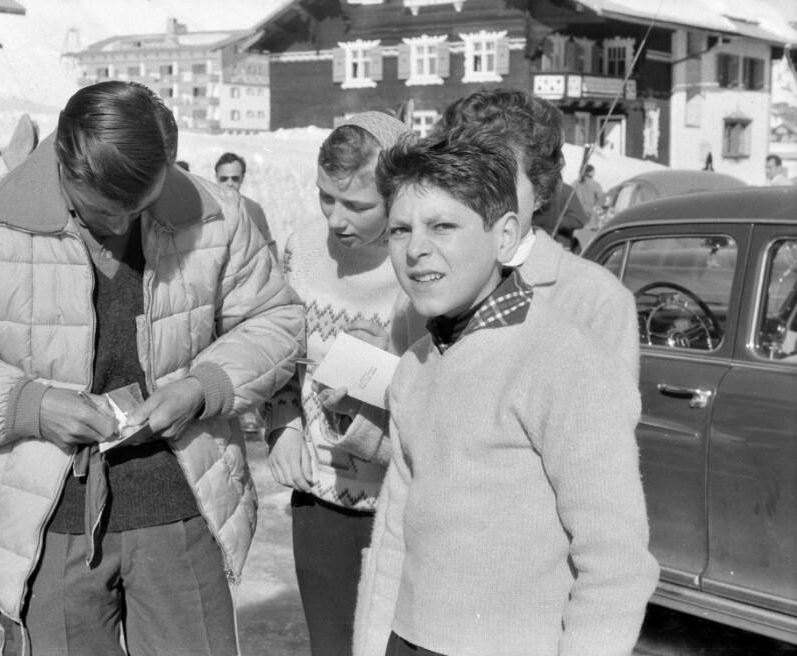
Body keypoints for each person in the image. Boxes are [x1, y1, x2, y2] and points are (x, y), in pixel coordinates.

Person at [0, 81, 304, 655]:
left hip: (182, 511)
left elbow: (275, 320)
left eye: (139, 209)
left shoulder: (216, 215)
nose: (121, 227)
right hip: (42, 531)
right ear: (63, 167)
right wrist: (29, 406)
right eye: (101, 210)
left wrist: (204, 387)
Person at [353, 126, 658, 656]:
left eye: (443, 226)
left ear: (505, 236)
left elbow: (616, 562)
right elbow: (394, 537)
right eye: (400, 230)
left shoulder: (566, 361)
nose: (416, 249)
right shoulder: (416, 365)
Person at [265, 111, 410, 656]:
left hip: (399, 501)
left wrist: (388, 366)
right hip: (319, 495)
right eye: (326, 197)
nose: (336, 218)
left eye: (356, 205)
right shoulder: (303, 247)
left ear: (399, 192)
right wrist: (282, 425)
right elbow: (276, 347)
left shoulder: (425, 262)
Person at [428, 89, 640, 377]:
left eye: (501, 182)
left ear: (540, 190)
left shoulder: (596, 298)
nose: (479, 198)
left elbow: (608, 402)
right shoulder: (425, 279)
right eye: (462, 181)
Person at [214, 151, 276, 257]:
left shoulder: (254, 209)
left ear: (242, 178)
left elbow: (268, 245)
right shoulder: (207, 209)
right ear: (216, 178)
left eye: (235, 178)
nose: (230, 183)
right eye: (224, 179)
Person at [530, 180, 589, 252]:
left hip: (559, 245)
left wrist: (555, 221)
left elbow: (579, 220)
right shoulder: (530, 187)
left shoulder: (566, 190)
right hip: (532, 245)